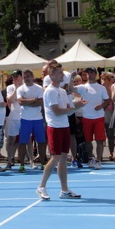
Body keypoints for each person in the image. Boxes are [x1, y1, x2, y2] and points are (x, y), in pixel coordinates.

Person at [36, 63, 87, 200]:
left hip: (64, 126)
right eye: (59, 73)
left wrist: (80, 105)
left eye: (62, 73)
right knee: (56, 157)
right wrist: (73, 109)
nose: (62, 75)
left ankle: (64, 190)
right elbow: (57, 111)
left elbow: (69, 107)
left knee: (63, 158)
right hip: (54, 127)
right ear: (51, 75)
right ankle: (41, 187)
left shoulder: (63, 91)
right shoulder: (50, 91)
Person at [73, 67, 111, 169]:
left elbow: (108, 101)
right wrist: (71, 77)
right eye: (88, 73)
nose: (90, 74)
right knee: (88, 140)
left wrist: (101, 106)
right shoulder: (83, 87)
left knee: (99, 140)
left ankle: (98, 160)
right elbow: (70, 89)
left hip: (99, 117)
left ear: (95, 74)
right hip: (87, 117)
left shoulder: (101, 88)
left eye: (92, 72)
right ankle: (91, 158)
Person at [16, 69, 47, 172]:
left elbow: (40, 102)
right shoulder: (20, 89)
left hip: (38, 119)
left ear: (32, 76)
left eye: (28, 76)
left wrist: (27, 101)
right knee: (22, 142)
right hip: (25, 119)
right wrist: (33, 99)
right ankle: (22, 165)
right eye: (25, 77)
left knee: (41, 142)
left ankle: (43, 163)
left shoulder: (39, 88)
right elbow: (20, 102)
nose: (26, 78)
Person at [5, 69, 23, 170]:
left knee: (23, 140)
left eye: (17, 76)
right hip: (13, 116)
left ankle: (24, 161)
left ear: (21, 77)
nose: (15, 78)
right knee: (10, 139)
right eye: (14, 76)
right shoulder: (10, 87)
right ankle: (9, 160)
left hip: (24, 116)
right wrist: (16, 88)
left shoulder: (25, 87)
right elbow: (11, 100)